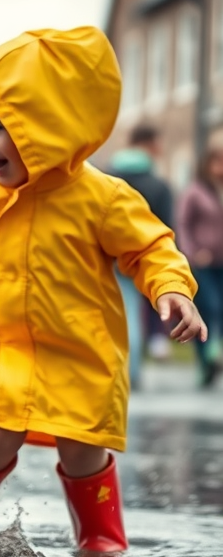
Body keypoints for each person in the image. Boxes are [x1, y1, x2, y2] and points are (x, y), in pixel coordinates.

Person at [0, 26, 204, 553]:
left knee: (83, 447)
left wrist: (172, 289)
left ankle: (101, 534)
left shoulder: (101, 198)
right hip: (9, 356)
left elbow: (150, 248)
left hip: (84, 355)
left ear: (48, 128)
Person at [109, 123, 175, 388]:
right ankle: (132, 375)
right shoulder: (158, 185)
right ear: (148, 144)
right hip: (144, 259)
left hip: (106, 258)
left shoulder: (106, 176)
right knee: (134, 319)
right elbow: (167, 228)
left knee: (113, 318)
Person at [176, 124, 223, 389]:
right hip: (202, 263)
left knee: (221, 311)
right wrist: (192, 253)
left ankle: (212, 358)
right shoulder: (195, 191)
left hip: (222, 262)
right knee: (209, 309)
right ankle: (207, 361)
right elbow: (182, 223)